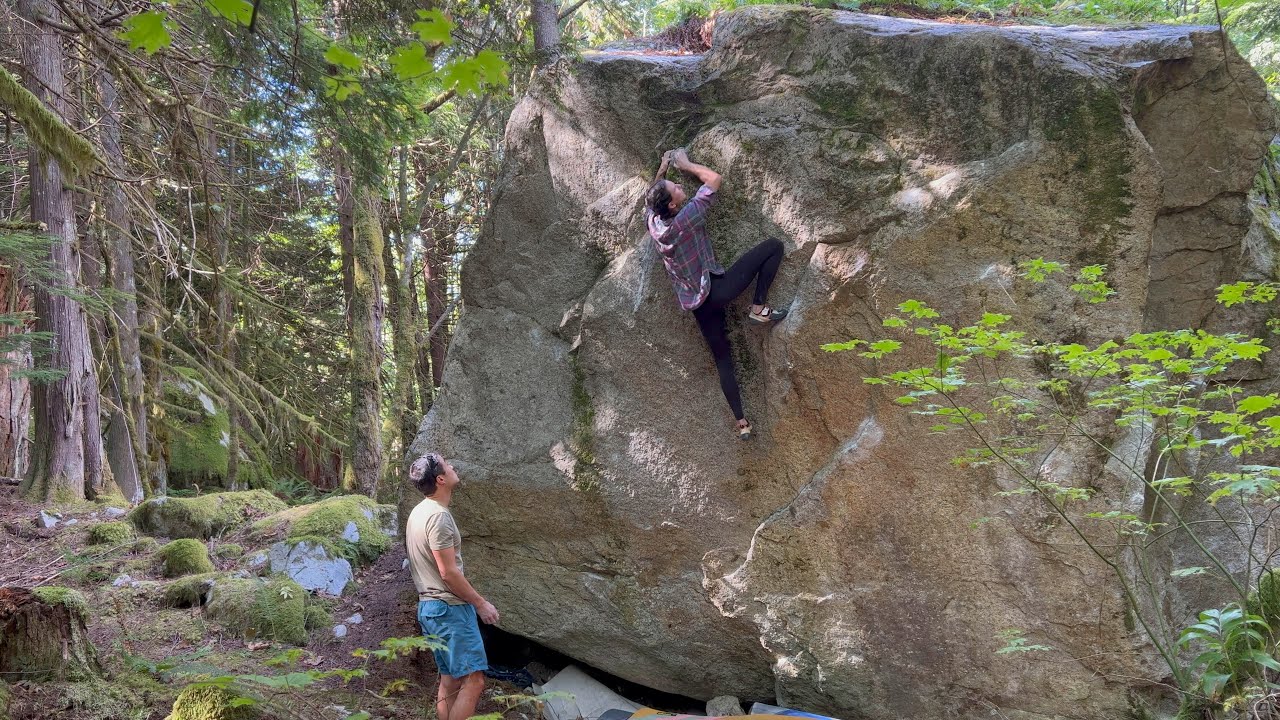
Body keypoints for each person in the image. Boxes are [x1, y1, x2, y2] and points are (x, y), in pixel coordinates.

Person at [645, 148, 787, 441]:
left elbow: (650, 199)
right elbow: (714, 180)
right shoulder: (686, 218)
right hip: (717, 290)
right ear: (673, 206)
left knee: (723, 358)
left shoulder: (656, 225)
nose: (681, 185)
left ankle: (742, 422)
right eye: (676, 189)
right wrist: (685, 164)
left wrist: (662, 171)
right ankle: (758, 307)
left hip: (697, 305)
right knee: (773, 246)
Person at [406, 453, 500, 720]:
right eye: (448, 465)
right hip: (450, 609)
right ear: (440, 479)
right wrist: (480, 603)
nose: (453, 467)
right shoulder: (438, 517)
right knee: (475, 681)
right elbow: (448, 572)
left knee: (450, 681)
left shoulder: (419, 512)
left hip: (430, 608)